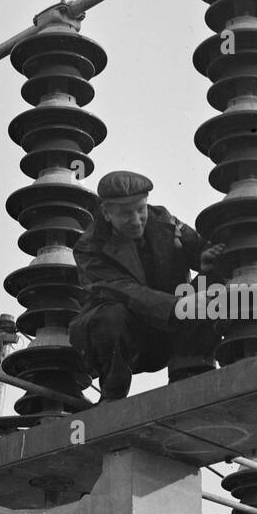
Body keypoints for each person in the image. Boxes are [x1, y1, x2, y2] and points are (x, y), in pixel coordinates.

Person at [70, 170, 224, 401]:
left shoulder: (165, 221)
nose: (136, 220)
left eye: (140, 210)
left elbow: (198, 246)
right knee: (111, 315)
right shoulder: (90, 248)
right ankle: (112, 395)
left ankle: (190, 370)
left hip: (172, 330)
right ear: (106, 212)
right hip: (129, 339)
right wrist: (179, 305)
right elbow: (124, 291)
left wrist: (206, 257)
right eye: (125, 213)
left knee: (218, 277)